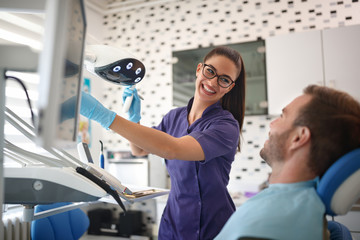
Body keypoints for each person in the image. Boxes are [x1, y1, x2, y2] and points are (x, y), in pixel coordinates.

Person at [80, 46, 246, 239]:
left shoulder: (226, 126)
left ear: (230, 87)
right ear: (199, 69)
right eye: (210, 71)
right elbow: (139, 150)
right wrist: (133, 118)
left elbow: (171, 149)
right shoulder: (174, 117)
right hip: (174, 223)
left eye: (224, 79)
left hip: (213, 227)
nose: (212, 82)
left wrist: (103, 116)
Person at [214, 85, 360, 240]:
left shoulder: (269, 224)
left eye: (283, 116)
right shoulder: (301, 202)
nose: (272, 123)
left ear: (298, 137)